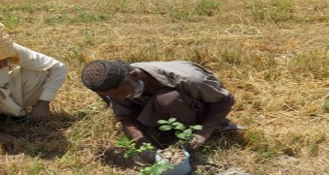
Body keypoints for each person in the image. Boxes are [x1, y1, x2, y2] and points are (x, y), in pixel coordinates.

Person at [81, 59, 235, 163]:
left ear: (134, 76)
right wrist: (143, 144)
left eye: (120, 93)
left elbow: (225, 100)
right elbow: (126, 117)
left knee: (168, 98)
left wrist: (203, 133)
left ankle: (186, 129)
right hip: (157, 111)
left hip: (195, 108)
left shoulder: (190, 79)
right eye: (112, 96)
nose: (120, 98)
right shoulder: (118, 86)